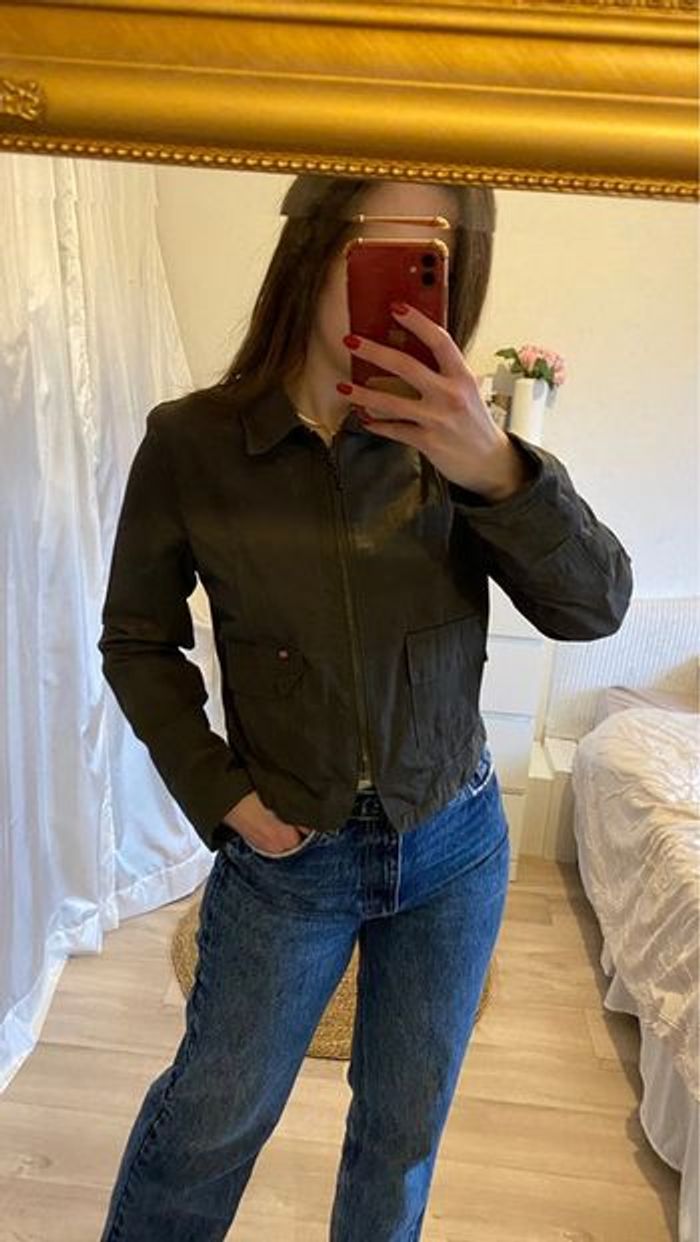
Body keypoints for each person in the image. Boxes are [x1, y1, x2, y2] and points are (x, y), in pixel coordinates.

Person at [96, 174, 633, 1241]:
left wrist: (497, 470)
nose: (402, 289)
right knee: (210, 1123)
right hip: (290, 855)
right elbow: (137, 641)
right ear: (311, 247)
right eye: (380, 251)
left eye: (431, 261)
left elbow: (595, 607)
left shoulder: (464, 443)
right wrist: (221, 796)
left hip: (455, 843)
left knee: (403, 1137)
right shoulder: (193, 443)